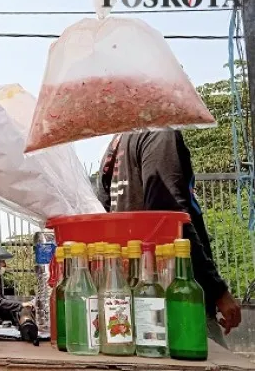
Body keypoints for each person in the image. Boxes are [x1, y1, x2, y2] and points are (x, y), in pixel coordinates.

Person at [97, 131, 242, 347]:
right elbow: (171, 221)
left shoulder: (114, 147)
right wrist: (217, 291)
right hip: (177, 296)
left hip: (139, 293)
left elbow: (104, 214)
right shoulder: (159, 134)